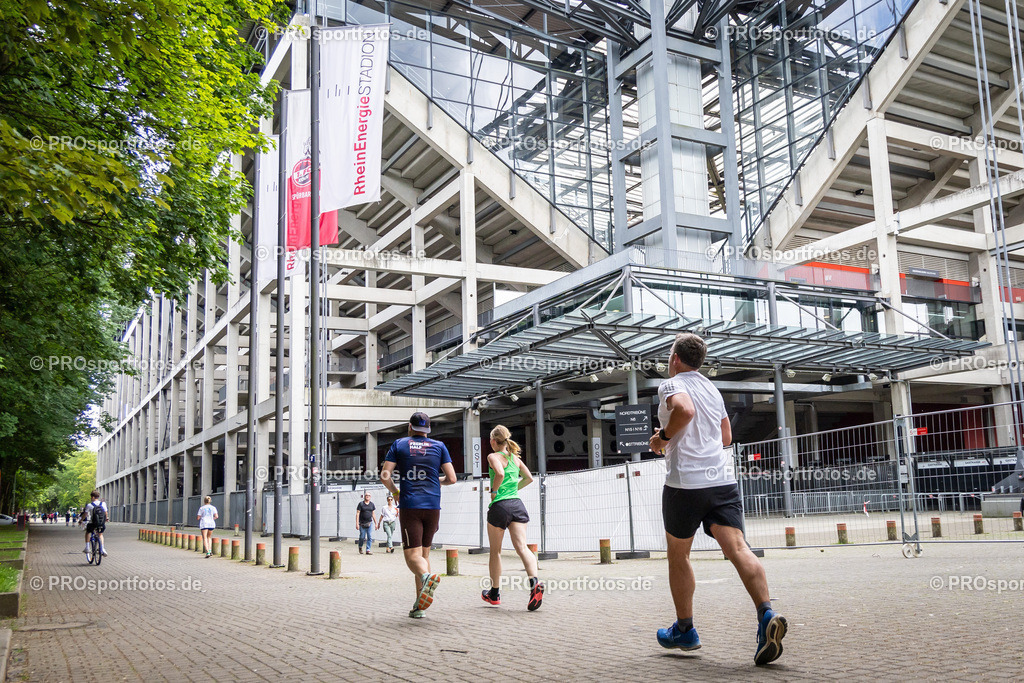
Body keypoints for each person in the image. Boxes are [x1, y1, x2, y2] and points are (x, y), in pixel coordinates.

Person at [648, 332, 787, 666]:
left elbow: (684, 410)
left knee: (679, 556)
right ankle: (766, 613)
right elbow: (726, 436)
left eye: (670, 355)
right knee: (739, 549)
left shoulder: (672, 384)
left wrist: (663, 437)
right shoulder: (712, 388)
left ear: (676, 359)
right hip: (722, 480)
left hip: (685, 485)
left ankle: (685, 629)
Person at [381, 412, 457, 618]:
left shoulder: (399, 444)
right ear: (428, 430)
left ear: (409, 427)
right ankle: (419, 606)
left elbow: (385, 475)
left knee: (411, 556)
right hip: (433, 506)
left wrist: (395, 492)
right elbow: (452, 478)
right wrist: (434, 480)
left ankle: (425, 577)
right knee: (423, 555)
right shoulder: (439, 446)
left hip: (410, 505)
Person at [480, 425, 544, 611]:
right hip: (517, 505)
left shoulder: (493, 456)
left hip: (500, 506)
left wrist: (494, 491)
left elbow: (499, 473)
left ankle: (494, 593)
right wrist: (513, 490)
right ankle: (535, 583)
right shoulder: (515, 459)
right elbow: (529, 478)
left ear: (493, 441)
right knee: (522, 548)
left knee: (496, 552)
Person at [81, 491, 108, 557]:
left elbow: (85, 514)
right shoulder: (103, 504)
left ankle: (87, 548)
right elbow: (105, 513)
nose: (91, 499)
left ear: (93, 497)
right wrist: (106, 519)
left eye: (91, 497)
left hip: (92, 523)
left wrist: (81, 520)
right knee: (100, 534)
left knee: (87, 532)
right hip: (101, 523)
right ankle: (102, 549)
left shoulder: (89, 505)